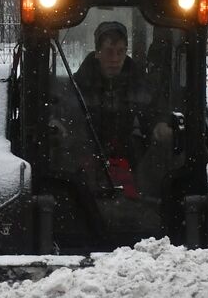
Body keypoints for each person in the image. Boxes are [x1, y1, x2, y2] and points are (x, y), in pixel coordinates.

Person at [61, 20, 174, 199]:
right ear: (97, 53)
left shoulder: (139, 83)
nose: (115, 59)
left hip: (131, 156)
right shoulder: (79, 84)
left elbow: (156, 109)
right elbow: (63, 110)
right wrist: (59, 124)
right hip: (88, 153)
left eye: (120, 52)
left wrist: (160, 124)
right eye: (109, 52)